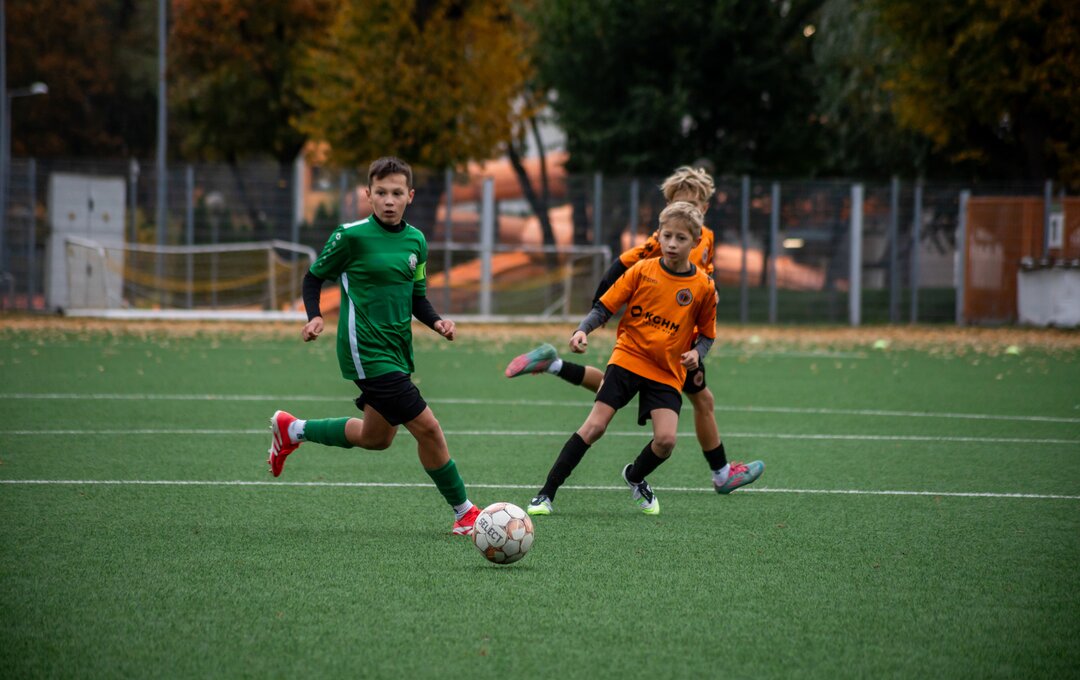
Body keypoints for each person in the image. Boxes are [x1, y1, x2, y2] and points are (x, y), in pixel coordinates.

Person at [506, 166, 763, 498]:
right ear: (667, 209)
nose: (686, 211)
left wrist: (701, 325)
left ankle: (554, 365)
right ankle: (721, 473)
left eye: (693, 205)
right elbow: (621, 266)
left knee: (627, 390)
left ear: (704, 209)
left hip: (681, 341)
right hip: (652, 339)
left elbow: (702, 283)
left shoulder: (705, 238)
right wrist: (597, 314)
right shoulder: (661, 242)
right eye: (680, 204)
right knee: (691, 399)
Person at [267, 156, 481, 536]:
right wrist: (315, 316)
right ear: (368, 195)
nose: (388, 200)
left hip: (397, 350)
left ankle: (292, 429)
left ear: (410, 195)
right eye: (381, 193)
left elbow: (416, 297)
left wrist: (437, 322)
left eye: (396, 193)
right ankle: (465, 513)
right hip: (365, 350)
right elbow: (313, 278)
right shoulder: (350, 237)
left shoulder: (417, 241)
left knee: (376, 438)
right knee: (429, 428)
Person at [526, 202, 718, 517]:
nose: (671, 244)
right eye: (667, 235)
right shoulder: (642, 270)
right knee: (595, 426)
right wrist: (582, 330)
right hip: (629, 357)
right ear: (658, 234)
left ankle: (635, 476)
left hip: (667, 371)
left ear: (696, 242)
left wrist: (697, 353)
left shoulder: (703, 287)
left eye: (681, 238)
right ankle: (546, 494)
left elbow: (708, 335)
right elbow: (605, 307)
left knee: (666, 441)